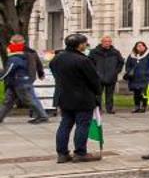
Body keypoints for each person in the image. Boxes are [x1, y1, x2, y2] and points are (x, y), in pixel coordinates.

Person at [50, 33, 103, 164]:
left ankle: (62, 154)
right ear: (79, 45)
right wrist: (97, 93)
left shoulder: (57, 59)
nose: (86, 45)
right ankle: (80, 153)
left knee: (65, 124)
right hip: (83, 97)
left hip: (63, 96)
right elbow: (94, 80)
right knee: (82, 125)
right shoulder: (83, 60)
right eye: (85, 43)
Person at [1, 35, 49, 124]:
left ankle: (43, 116)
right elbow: (38, 63)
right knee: (8, 101)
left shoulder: (15, 57)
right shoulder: (30, 52)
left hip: (20, 81)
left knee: (30, 100)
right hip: (19, 81)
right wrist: (40, 73)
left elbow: (8, 70)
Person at [89, 38, 123, 114]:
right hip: (98, 76)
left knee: (110, 94)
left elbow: (120, 62)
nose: (107, 43)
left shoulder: (115, 52)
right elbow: (90, 63)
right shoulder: (94, 52)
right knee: (98, 94)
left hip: (111, 76)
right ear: (102, 42)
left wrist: (116, 71)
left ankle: (109, 109)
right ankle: (98, 109)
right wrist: (95, 72)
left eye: (109, 42)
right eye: (105, 41)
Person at [124, 41, 149, 113]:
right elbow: (128, 65)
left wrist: (147, 72)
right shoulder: (132, 56)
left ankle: (144, 106)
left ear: (144, 47)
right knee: (136, 93)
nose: (140, 47)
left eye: (141, 46)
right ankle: (137, 106)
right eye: (138, 46)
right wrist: (129, 72)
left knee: (144, 93)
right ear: (136, 47)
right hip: (135, 78)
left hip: (145, 78)